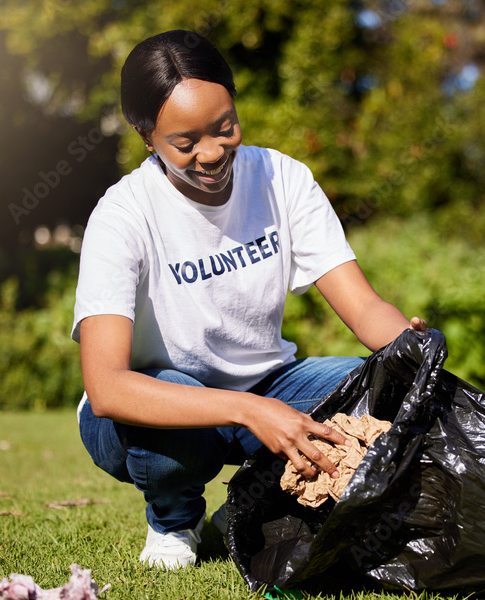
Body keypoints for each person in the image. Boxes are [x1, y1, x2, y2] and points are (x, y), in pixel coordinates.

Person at [72, 30, 426, 571]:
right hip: (151, 402)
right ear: (147, 137)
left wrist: (410, 349)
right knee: (175, 429)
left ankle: (252, 501)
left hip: (266, 380)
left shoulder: (281, 178)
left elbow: (362, 307)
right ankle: (174, 517)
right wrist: (250, 410)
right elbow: (107, 387)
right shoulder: (123, 216)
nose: (212, 154)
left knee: (369, 387)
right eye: (185, 143)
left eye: (224, 128)